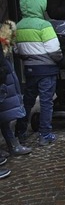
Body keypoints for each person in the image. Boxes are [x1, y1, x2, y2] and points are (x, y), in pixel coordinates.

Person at [14, 0, 63, 146]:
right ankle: (45, 134)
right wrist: (60, 59)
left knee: (27, 101)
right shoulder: (44, 26)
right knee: (46, 101)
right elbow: (54, 50)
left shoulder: (18, 26)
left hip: (29, 70)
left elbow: (16, 50)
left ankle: (20, 132)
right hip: (47, 70)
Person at [0, 20, 31, 159]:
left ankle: (13, 145)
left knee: (4, 119)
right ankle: (13, 146)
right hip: (4, 83)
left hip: (5, 82)